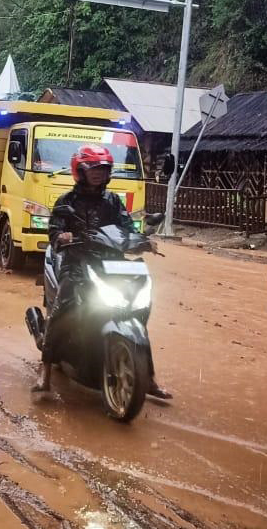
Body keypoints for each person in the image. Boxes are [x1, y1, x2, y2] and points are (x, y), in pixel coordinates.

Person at [33, 144, 172, 399]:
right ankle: (45, 370)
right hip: (76, 264)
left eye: (104, 169)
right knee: (63, 310)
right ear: (81, 171)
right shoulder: (67, 202)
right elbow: (54, 230)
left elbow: (127, 226)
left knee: (137, 312)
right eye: (94, 168)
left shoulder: (113, 201)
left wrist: (142, 239)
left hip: (111, 265)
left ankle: (148, 377)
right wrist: (61, 236)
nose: (99, 173)